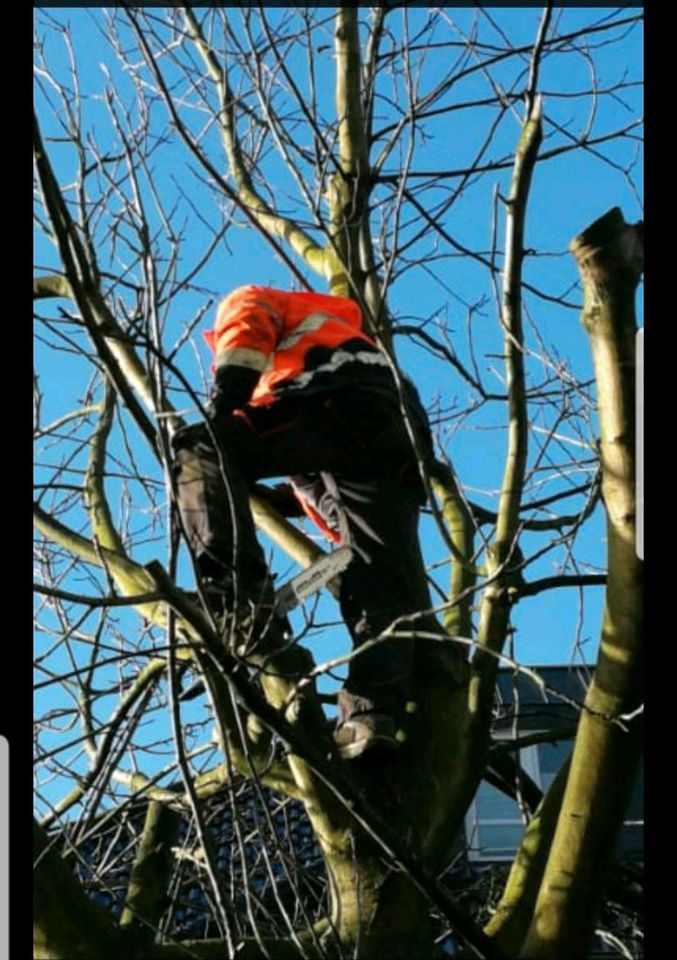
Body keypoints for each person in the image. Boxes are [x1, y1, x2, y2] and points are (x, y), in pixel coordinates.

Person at [172, 285, 434, 759]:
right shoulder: (352, 340)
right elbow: (330, 459)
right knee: (381, 589)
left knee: (199, 449)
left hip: (332, 401)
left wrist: (224, 406)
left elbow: (245, 335)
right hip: (396, 445)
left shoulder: (252, 299)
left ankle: (233, 598)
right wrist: (284, 500)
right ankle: (369, 719)